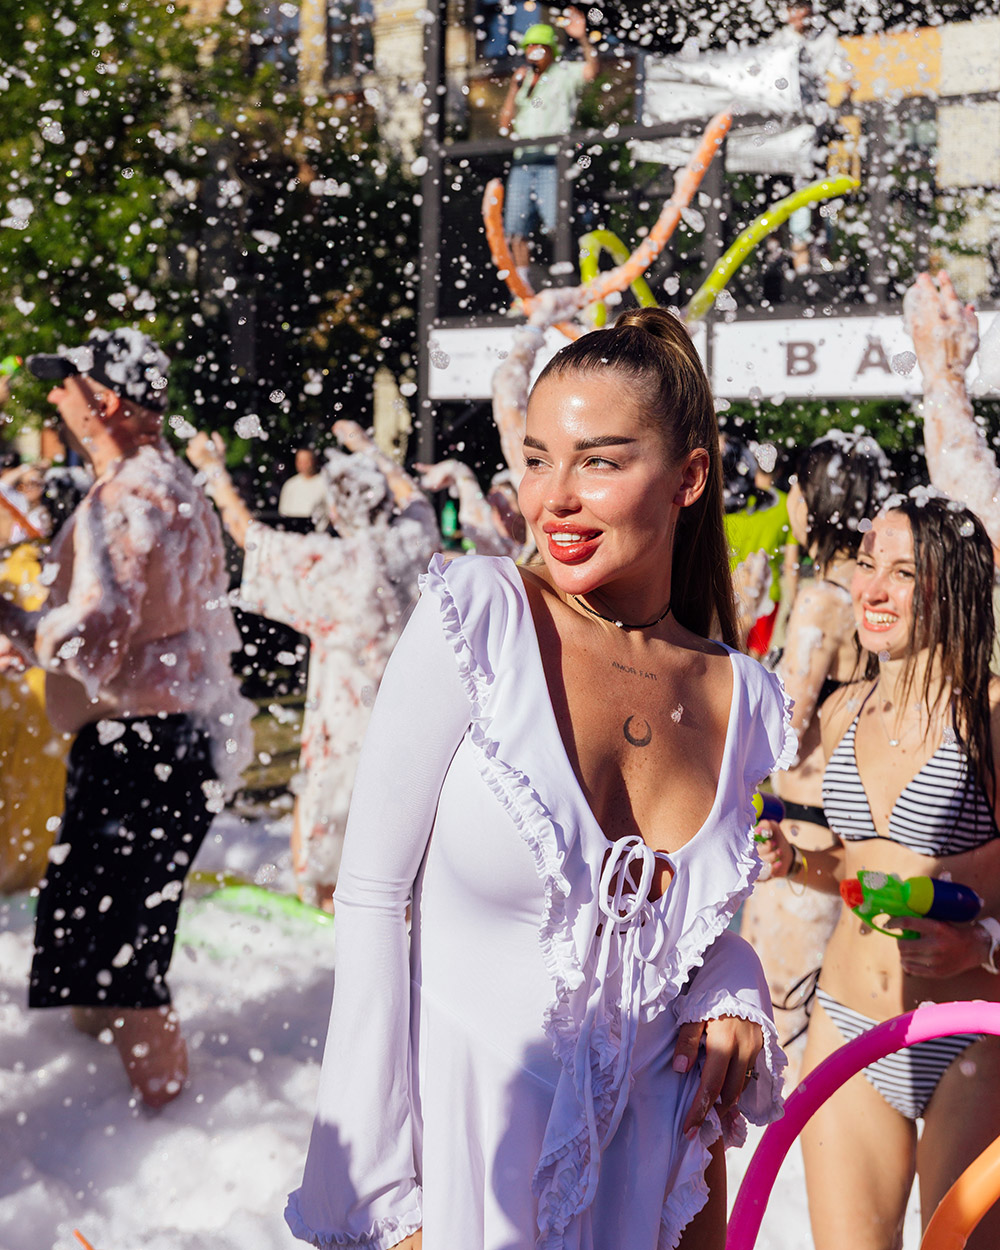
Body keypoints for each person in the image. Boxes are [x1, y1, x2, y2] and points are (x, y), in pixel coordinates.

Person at [286, 307, 794, 1250]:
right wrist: (384, 1209)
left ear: (688, 478)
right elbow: (371, 899)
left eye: (598, 462)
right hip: (466, 1197)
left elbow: (670, 944)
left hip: (658, 1197)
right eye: (535, 458)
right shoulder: (479, 616)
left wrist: (733, 976)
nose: (553, 497)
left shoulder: (746, 697)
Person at [0, 328, 254, 1108]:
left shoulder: (125, 495)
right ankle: (112, 1128)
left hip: (140, 748)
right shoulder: (169, 481)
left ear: (105, 400)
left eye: (64, 382)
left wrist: (13, 619)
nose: (54, 396)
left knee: (124, 966)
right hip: (169, 742)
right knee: (105, 947)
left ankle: (163, 1130)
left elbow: (95, 641)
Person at [757, 492, 1000, 1250]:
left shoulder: (992, 720)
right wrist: (795, 860)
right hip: (848, 1022)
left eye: (903, 572)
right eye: (867, 564)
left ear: (953, 586)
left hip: (972, 1035)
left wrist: (982, 943)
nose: (873, 589)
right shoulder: (845, 712)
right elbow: (858, 869)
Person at [187, 418, 440, 909]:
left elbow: (249, 535)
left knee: (326, 837)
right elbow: (415, 498)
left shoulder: (334, 564)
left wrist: (213, 470)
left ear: (335, 511)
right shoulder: (412, 544)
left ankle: (318, 910)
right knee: (402, 848)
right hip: (410, 721)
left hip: (343, 726)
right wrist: (370, 449)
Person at [741, 430, 893, 1074]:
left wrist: (736, 626)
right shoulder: (877, 599)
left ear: (814, 504)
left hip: (799, 847)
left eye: (797, 492)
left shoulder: (822, 601)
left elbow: (779, 736)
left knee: (776, 1054)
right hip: (852, 840)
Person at [498, 8, 598, 286]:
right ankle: (523, 289)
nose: (533, 52)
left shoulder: (563, 73)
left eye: (539, 46)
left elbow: (591, 71)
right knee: (515, 229)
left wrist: (582, 38)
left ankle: (570, 282)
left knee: (557, 225)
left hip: (553, 161)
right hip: (523, 162)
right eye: (529, 47)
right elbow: (505, 126)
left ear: (551, 50)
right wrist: (513, 89)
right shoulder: (523, 82)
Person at [720, 433, 791, 658]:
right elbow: (791, 564)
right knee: (756, 660)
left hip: (730, 589)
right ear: (779, 470)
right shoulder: (785, 505)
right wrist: (793, 604)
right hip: (769, 592)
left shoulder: (736, 501)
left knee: (731, 654)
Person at [278, 446, 329, 525]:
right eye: (300, 461)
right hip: (293, 530)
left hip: (318, 531)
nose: (303, 464)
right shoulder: (290, 484)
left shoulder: (325, 483)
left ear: (314, 461)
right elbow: (283, 513)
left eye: (306, 461)